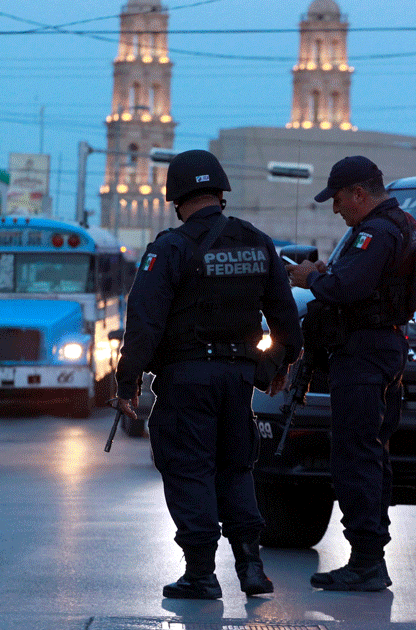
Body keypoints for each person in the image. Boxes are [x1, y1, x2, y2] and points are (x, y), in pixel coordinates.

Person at [114, 149, 303, 600]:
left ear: (177, 199)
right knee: (236, 468)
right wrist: (273, 368)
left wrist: (126, 383)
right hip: (237, 381)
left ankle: (201, 574)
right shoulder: (258, 243)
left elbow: (143, 322)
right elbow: (287, 323)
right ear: (221, 193)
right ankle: (252, 568)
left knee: (189, 469)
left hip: (185, 381)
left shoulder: (169, 248)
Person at [286, 155, 416, 592]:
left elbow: (347, 289)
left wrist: (310, 278)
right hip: (379, 351)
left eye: (340, 199)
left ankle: (366, 560)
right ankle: (369, 557)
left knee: (355, 456)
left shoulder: (376, 232)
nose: (336, 208)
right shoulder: (399, 225)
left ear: (360, 194)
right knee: (370, 453)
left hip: (364, 356)